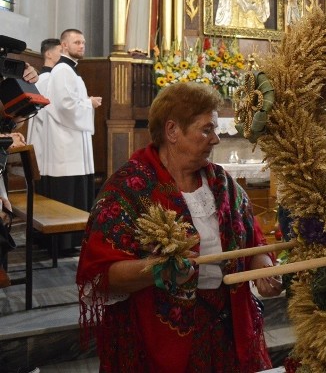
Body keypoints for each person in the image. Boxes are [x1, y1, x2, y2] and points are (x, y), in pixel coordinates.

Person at [76, 82, 282, 372]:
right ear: (173, 131)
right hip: (154, 340)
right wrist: (158, 270)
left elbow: (252, 242)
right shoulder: (127, 190)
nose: (216, 140)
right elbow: (100, 272)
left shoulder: (222, 183)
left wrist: (264, 269)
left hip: (225, 335)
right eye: (207, 129)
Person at [41, 29, 102, 250]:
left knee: (74, 189)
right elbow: (65, 106)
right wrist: (89, 104)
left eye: (83, 42)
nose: (82, 46)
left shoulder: (70, 71)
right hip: (65, 144)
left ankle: (72, 241)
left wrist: (85, 101)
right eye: (77, 42)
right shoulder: (62, 71)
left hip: (73, 142)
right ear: (64, 45)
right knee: (67, 191)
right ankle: (64, 242)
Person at [26, 38, 61, 173]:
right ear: (48, 54)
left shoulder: (53, 77)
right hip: (45, 135)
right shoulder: (45, 79)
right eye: (60, 51)